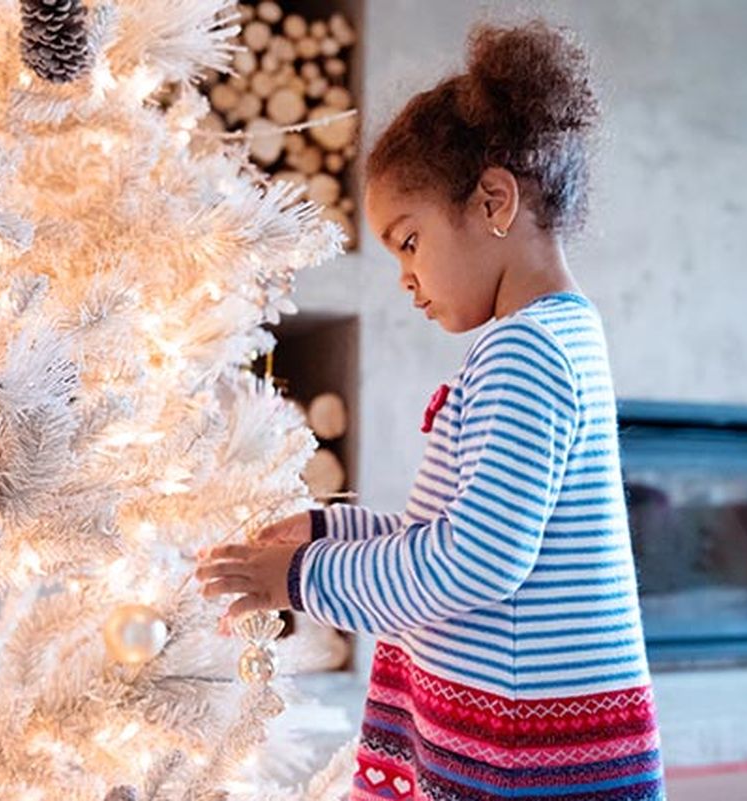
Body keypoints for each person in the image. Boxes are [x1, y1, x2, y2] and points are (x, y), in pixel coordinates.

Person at [197, 19, 665, 801]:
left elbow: (476, 561)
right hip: (540, 740)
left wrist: (303, 576)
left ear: (492, 200)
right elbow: (466, 537)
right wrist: (328, 529)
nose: (406, 279)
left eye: (409, 242)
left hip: (524, 759)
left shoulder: (526, 352)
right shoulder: (560, 337)